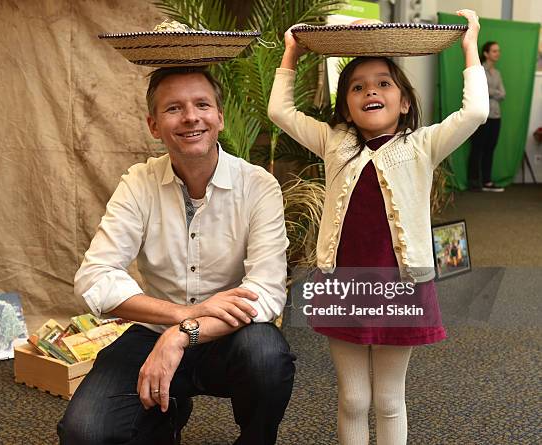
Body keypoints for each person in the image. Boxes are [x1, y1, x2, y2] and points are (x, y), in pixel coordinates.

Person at [268, 10, 487, 445]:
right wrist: (291, 52)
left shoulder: (422, 145)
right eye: (357, 86)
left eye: (383, 83)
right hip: (342, 285)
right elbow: (279, 110)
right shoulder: (335, 142)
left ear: (404, 101)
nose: (371, 90)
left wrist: (469, 46)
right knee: (352, 398)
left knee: (388, 400)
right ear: (346, 104)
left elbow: (477, 111)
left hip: (401, 286)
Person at [58, 66, 296, 445]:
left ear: (219, 115)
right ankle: (167, 416)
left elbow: (266, 294)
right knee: (84, 432)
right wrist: (180, 317)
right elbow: (93, 279)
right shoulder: (138, 183)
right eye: (173, 109)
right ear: (154, 125)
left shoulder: (258, 185)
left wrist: (184, 334)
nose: (190, 117)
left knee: (267, 356)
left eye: (202, 104)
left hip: (231, 338)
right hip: (154, 332)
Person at [468, 40, 505, 192]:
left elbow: (503, 94)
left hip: (496, 116)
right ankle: (474, 181)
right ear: (486, 53)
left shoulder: (497, 73)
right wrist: (493, 92)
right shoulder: (479, 71)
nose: (498, 54)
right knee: (477, 148)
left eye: (498, 51)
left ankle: (487, 181)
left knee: (490, 148)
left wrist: (492, 92)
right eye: (494, 51)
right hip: (482, 116)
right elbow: (480, 90)